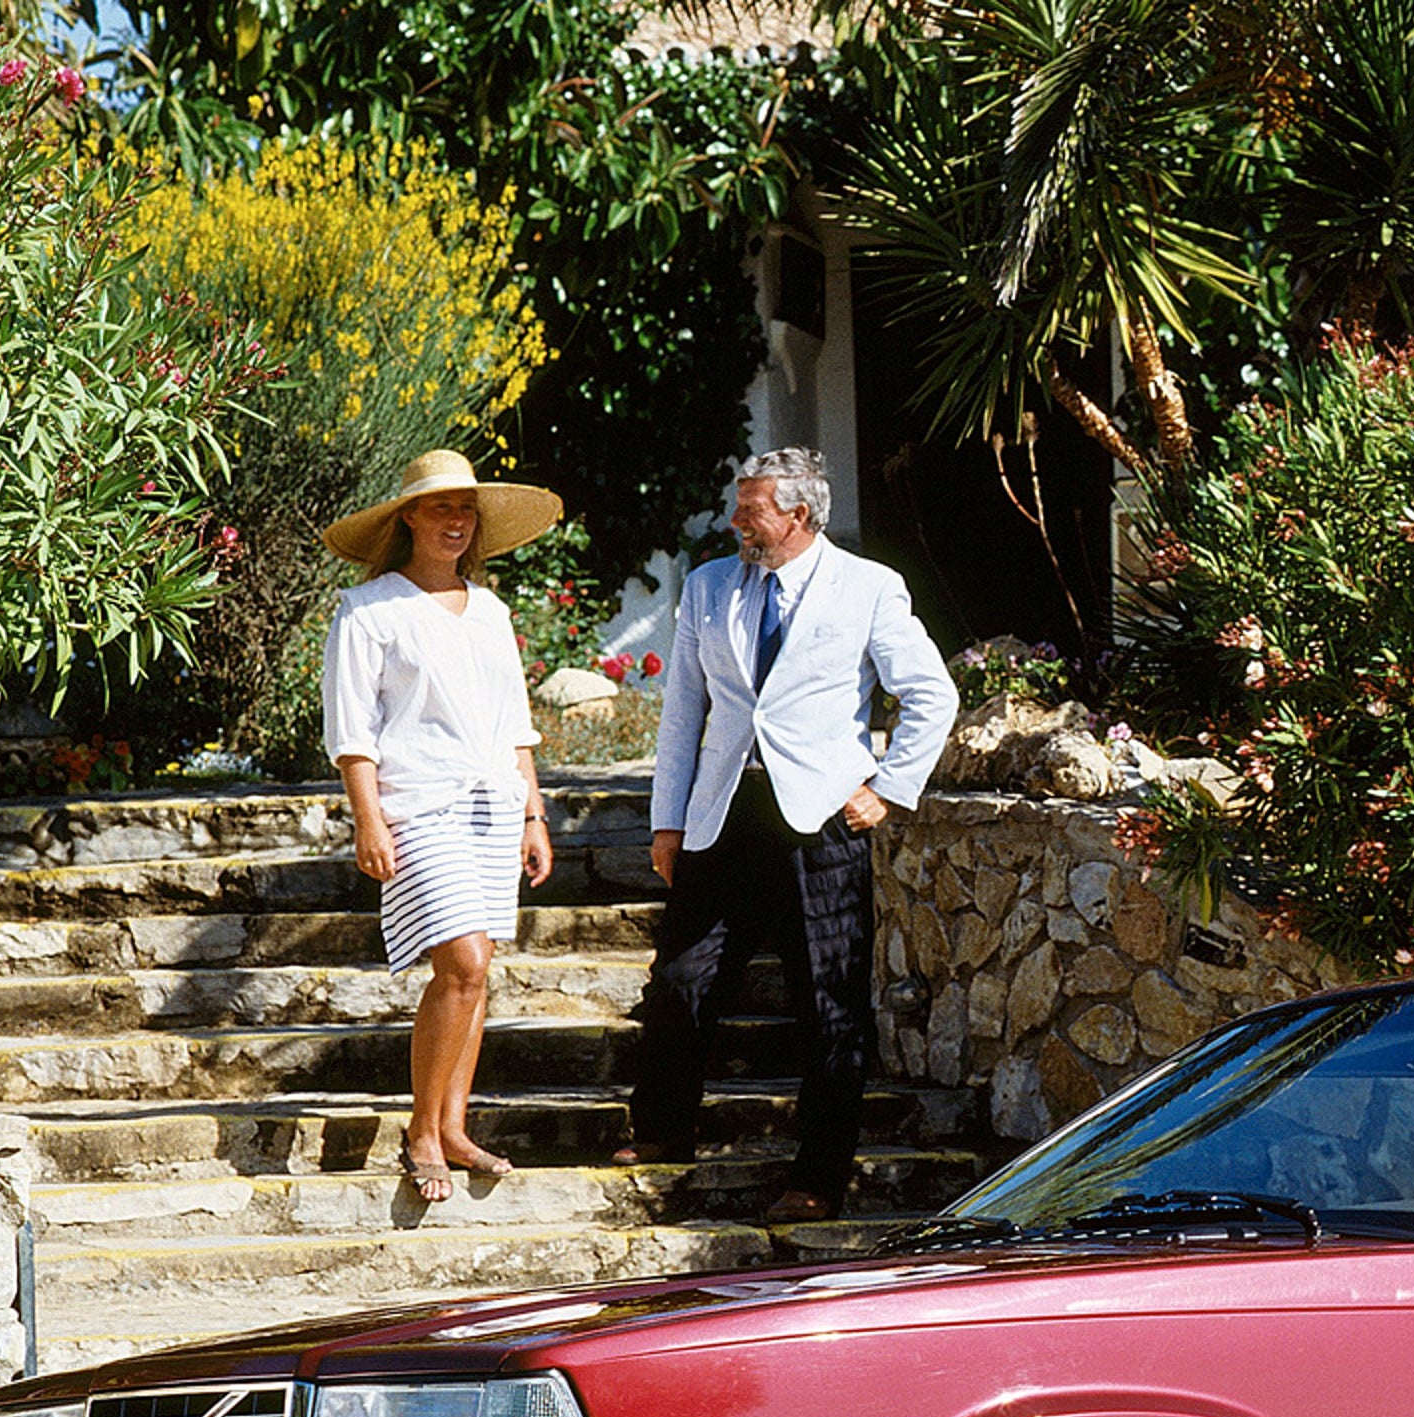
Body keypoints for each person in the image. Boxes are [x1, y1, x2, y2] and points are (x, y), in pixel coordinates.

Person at [620, 447, 957, 1222]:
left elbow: (931, 695)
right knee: (681, 979)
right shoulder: (707, 588)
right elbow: (682, 716)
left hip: (821, 821)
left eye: (752, 509)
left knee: (829, 1005)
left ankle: (819, 1175)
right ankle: (664, 1129)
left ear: (799, 515)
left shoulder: (869, 588)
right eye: (739, 507)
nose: (736, 521)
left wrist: (890, 789)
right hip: (724, 812)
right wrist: (667, 820)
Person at [317, 448, 563, 1204]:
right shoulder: (369, 612)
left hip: (494, 806)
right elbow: (351, 730)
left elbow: (514, 725)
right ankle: (423, 1131)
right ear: (409, 518)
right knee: (464, 957)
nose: (456, 521)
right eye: (441, 508)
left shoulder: (490, 611)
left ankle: (453, 1125)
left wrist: (533, 812)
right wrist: (368, 818)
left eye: (466, 510)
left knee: (476, 972)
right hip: (416, 804)